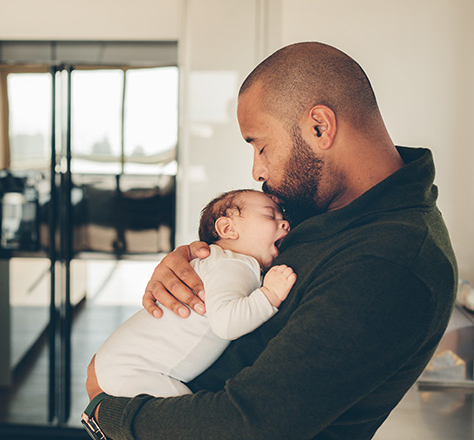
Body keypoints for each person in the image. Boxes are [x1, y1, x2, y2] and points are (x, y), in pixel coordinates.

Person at [85, 41, 457, 439]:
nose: (257, 169)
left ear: (320, 127)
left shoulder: (390, 261)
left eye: (261, 145)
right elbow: (239, 266)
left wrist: (107, 415)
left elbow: (248, 424)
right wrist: (191, 261)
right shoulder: (324, 209)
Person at [94, 189, 296, 398]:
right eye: (270, 216)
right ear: (228, 228)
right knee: (182, 412)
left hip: (117, 361)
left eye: (283, 218)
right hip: (133, 368)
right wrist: (270, 294)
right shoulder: (233, 264)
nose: (285, 224)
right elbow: (226, 323)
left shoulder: (219, 263)